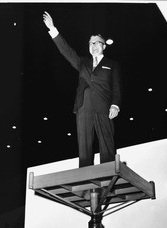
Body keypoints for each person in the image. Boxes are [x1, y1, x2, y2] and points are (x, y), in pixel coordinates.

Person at [43, 11, 122, 168]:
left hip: (104, 107)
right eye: (90, 43)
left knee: (107, 145)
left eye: (96, 42)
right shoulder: (82, 63)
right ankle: (87, 181)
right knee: (84, 148)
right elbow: (66, 50)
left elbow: (117, 88)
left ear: (104, 45)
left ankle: (108, 178)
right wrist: (53, 29)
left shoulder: (112, 64)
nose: (93, 46)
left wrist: (115, 105)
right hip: (83, 107)